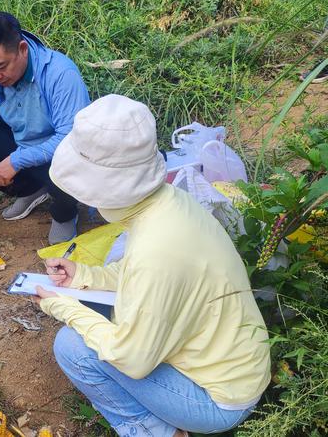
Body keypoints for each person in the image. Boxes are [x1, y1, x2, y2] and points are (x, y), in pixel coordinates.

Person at [35, 94, 271, 436]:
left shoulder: (156, 249)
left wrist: (64, 308)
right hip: (240, 366)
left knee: (72, 347)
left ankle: (153, 431)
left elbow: (133, 359)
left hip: (218, 400)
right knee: (98, 321)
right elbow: (138, 273)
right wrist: (84, 276)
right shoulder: (171, 203)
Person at [0, 11, 90, 244]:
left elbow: (71, 138)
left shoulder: (60, 74)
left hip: (59, 150)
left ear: (22, 49)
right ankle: (30, 190)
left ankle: (65, 213)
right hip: (24, 143)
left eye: (1, 67)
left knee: (65, 162)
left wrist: (16, 161)